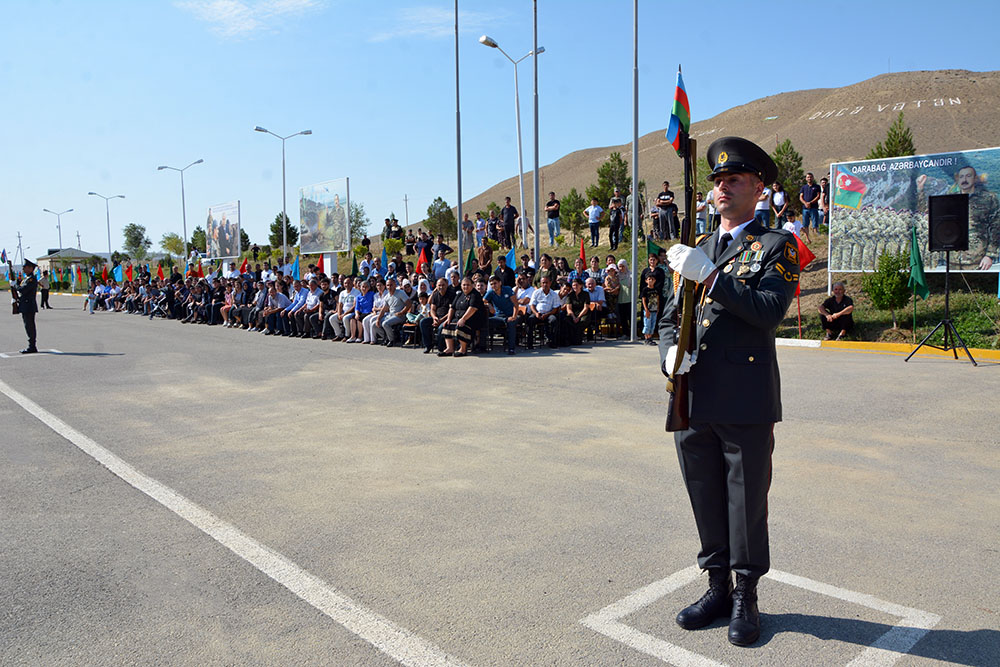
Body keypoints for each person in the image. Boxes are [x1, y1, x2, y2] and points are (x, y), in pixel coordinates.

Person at [659, 136, 797, 647]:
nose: (722, 187)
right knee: (705, 493)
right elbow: (669, 320)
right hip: (692, 394)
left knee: (744, 499)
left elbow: (766, 311)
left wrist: (713, 280)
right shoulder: (696, 248)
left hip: (744, 394)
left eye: (733, 179)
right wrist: (670, 355)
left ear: (758, 188)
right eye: (717, 180)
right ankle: (716, 586)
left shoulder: (776, 244)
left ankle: (745, 594)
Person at [439, 277, 482, 357]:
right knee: (447, 325)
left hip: (471, 320)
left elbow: (472, 309)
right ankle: (450, 348)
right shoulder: (459, 294)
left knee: (460, 327)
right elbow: (452, 307)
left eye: (468, 285)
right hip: (458, 318)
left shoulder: (475, 294)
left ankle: (463, 349)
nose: (465, 287)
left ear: (472, 285)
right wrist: (448, 319)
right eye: (464, 285)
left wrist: (463, 319)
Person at [10, 259, 39, 353]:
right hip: (25, 305)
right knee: (28, 326)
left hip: (29, 306)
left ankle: (32, 346)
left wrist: (15, 286)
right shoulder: (26, 278)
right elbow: (21, 288)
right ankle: (31, 345)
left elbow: (23, 290)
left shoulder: (32, 279)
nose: (23, 268)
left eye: (25, 267)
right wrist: (16, 283)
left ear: (31, 268)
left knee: (30, 326)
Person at [526, 275, 561, 349]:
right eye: (543, 283)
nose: (545, 284)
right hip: (538, 313)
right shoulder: (536, 292)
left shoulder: (554, 294)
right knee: (530, 320)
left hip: (549, 314)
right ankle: (530, 343)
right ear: (541, 284)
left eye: (546, 283)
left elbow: (555, 308)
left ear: (550, 283)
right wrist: (536, 313)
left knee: (554, 320)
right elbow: (532, 305)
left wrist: (547, 314)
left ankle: (552, 342)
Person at [640, 272, 659, 345]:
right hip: (648, 309)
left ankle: (650, 337)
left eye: (652, 279)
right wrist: (646, 309)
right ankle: (646, 337)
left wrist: (658, 308)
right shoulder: (645, 290)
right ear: (646, 280)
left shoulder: (656, 289)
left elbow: (657, 299)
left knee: (653, 324)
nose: (651, 281)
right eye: (649, 279)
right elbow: (643, 300)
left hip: (654, 309)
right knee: (647, 324)